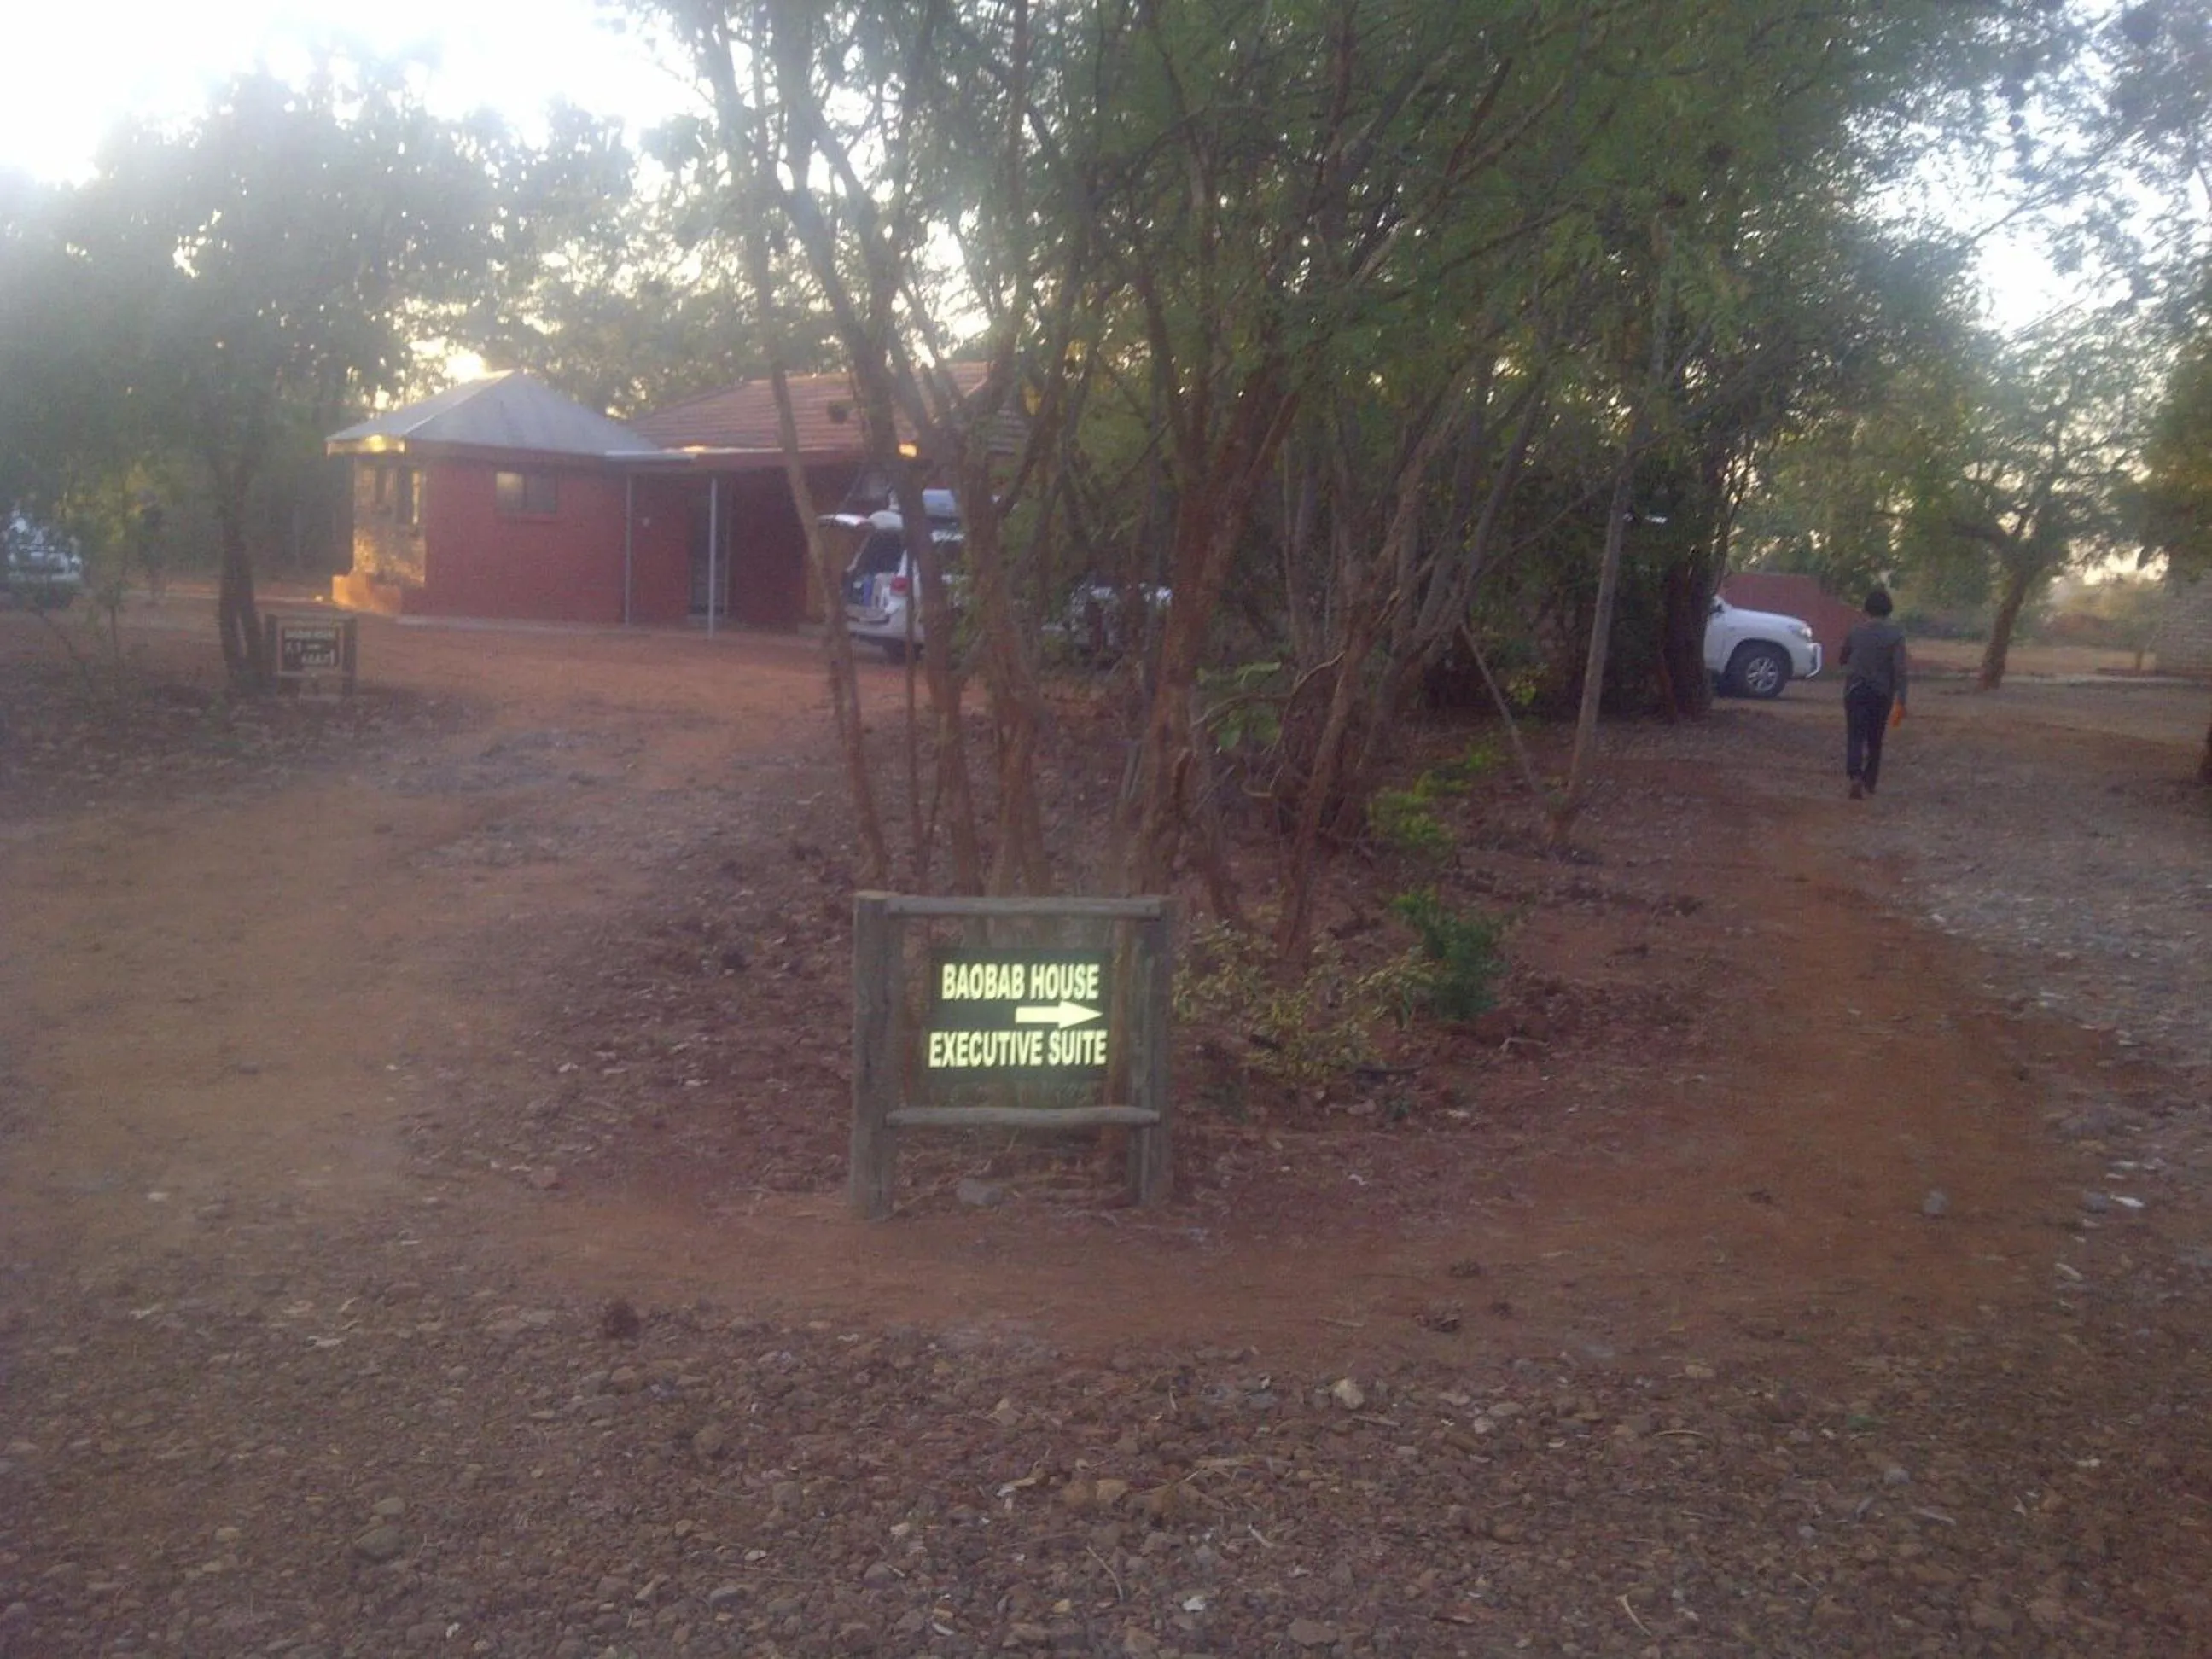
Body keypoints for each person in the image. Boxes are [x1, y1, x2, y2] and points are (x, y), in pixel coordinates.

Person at [1840, 586, 1907, 799]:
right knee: (1875, 738)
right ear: (1888, 610)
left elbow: (1843, 658)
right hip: (1881, 693)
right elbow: (1900, 669)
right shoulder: (1896, 635)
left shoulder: (1856, 632)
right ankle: (1870, 780)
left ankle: (1855, 776)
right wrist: (1902, 699)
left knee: (1855, 735)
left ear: (1866, 609)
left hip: (1855, 690)